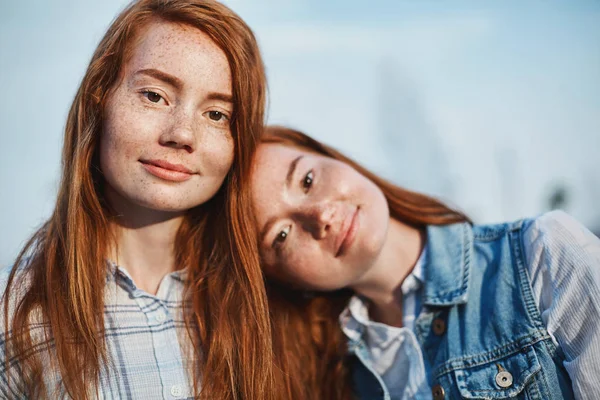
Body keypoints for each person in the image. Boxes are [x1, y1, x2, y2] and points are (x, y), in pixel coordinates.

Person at [0, 1, 274, 399]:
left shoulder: (266, 306)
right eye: (154, 95)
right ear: (100, 98)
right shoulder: (15, 317)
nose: (182, 133)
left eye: (216, 115)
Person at [253, 125, 600, 400]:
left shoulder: (542, 253)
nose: (320, 216)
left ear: (333, 157)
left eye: (307, 180)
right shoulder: (335, 377)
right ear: (285, 281)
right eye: (281, 235)